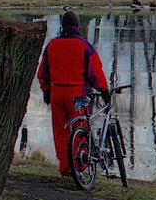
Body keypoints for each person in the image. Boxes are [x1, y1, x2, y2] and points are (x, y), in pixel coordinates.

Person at [37, 10, 109, 176]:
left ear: (63, 26)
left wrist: (46, 90)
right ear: (77, 26)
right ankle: (79, 166)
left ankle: (64, 167)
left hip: (56, 92)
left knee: (60, 131)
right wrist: (103, 90)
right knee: (80, 128)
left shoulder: (52, 45)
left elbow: (43, 73)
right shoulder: (84, 46)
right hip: (76, 93)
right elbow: (95, 72)